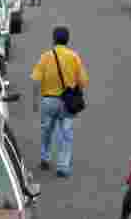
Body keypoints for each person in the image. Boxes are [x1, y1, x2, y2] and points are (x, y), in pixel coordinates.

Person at [31, 25, 89, 178]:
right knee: (66, 135)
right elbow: (83, 81)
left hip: (48, 100)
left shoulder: (45, 57)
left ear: (53, 39)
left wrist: (35, 101)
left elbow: (36, 80)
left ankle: (45, 157)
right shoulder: (74, 57)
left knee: (46, 131)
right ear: (67, 40)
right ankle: (63, 167)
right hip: (66, 102)